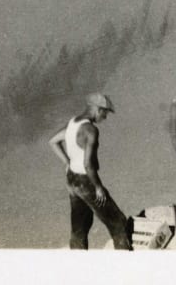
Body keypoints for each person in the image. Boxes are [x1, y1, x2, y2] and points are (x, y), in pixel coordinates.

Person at [48, 93, 133, 250]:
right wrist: (98, 187)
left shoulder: (73, 122)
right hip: (86, 182)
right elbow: (88, 164)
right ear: (97, 109)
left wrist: (67, 162)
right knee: (118, 222)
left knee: (80, 226)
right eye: (105, 112)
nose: (105, 117)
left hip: (71, 179)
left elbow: (53, 141)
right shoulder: (91, 130)